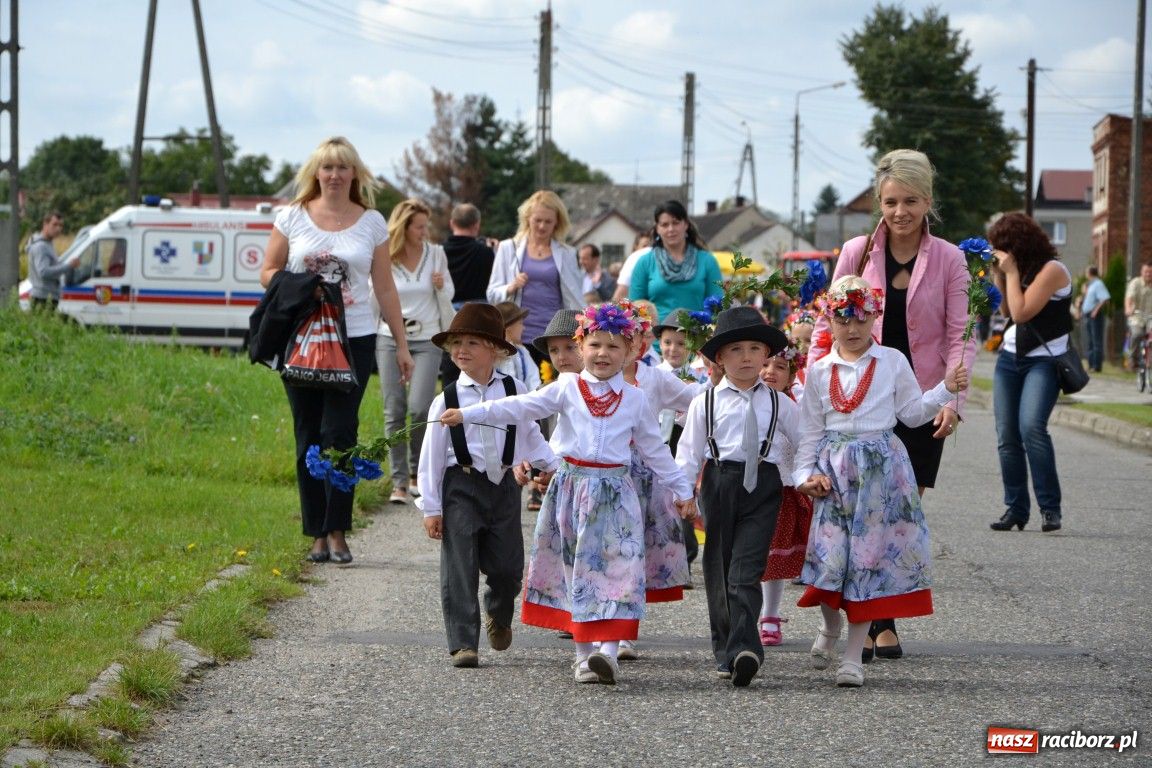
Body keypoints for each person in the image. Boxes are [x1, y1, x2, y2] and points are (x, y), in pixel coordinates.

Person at [440, 301, 698, 686]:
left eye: (614, 347)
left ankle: (607, 653)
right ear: (581, 348)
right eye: (594, 345)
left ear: (630, 351)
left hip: (616, 495)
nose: (603, 354)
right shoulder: (567, 388)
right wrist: (469, 413)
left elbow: (654, 450)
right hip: (572, 490)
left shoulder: (635, 399)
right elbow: (521, 406)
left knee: (619, 569)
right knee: (576, 570)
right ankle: (582, 656)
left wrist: (681, 489)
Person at [809, 148, 972, 662]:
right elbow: (825, 320)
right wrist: (812, 380)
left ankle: (880, 610)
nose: (900, 212)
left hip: (919, 398)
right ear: (880, 203)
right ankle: (876, 621)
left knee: (896, 515)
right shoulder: (857, 251)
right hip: (857, 396)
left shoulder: (949, 257)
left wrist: (955, 400)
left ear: (928, 202)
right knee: (856, 515)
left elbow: (958, 334)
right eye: (890, 202)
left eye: (910, 201)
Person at [795, 275, 968, 688]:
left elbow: (911, 413)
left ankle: (853, 657)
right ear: (829, 320)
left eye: (860, 318)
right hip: (835, 475)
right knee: (831, 560)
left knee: (867, 563)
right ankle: (830, 627)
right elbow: (810, 431)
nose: (852, 328)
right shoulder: (819, 371)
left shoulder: (891, 361)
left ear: (874, 315)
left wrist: (945, 389)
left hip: (880, 474)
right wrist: (804, 475)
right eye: (842, 318)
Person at [260, 136, 413, 564]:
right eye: (326, 168)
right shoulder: (291, 217)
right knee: (307, 433)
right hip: (303, 338)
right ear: (315, 173)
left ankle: (338, 529)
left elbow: (384, 286)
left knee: (340, 434)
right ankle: (315, 533)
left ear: (355, 175)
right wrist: (301, 288)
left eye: (342, 168)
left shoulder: (371, 223)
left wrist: (401, 344)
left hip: (356, 338)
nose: (333, 175)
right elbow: (267, 270)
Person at [416, 303, 556, 668]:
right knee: (460, 563)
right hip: (461, 485)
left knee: (509, 567)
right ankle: (464, 642)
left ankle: (499, 608)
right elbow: (430, 458)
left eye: (473, 343)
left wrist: (553, 465)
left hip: (503, 486)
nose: (462, 350)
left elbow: (529, 435)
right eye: (456, 343)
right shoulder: (444, 400)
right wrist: (431, 508)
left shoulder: (515, 389)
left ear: (495, 348)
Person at [675, 306, 798, 687]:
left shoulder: (780, 403)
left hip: (763, 484)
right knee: (719, 567)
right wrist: (683, 494)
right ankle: (725, 647)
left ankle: (746, 648)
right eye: (736, 350)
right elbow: (689, 452)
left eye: (754, 349)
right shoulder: (705, 402)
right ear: (719, 359)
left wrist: (804, 476)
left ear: (766, 355)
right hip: (719, 481)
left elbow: (805, 441)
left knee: (746, 569)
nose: (746, 357)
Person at [987, 212, 1074, 534]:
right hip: (1009, 358)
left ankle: (1050, 509)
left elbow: (1022, 313)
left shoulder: (1053, 270)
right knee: (1007, 436)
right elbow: (1006, 311)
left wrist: (1010, 272)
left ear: (1018, 244)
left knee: (1032, 428)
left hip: (1043, 361)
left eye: (1002, 248)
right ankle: (1015, 508)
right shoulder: (1017, 270)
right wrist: (1001, 274)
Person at [378, 199, 454, 506]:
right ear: (404, 227)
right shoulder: (386, 256)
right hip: (390, 338)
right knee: (393, 408)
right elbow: (376, 296)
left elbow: (449, 293)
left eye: (425, 226)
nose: (424, 232)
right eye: (419, 226)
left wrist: (439, 286)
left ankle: (416, 473)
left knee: (421, 408)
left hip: (426, 338)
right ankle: (398, 481)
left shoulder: (436, 255)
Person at [486, 190, 584, 366]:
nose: (542, 226)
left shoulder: (568, 253)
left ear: (557, 223)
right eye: (537, 220)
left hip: (553, 338)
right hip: (515, 337)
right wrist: (510, 287)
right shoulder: (508, 248)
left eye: (548, 221)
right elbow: (492, 294)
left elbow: (575, 299)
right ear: (527, 219)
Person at [756, 343, 812, 647]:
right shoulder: (745, 399)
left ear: (792, 374)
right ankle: (742, 612)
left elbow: (806, 441)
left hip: (782, 488)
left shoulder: (793, 406)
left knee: (773, 559)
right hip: (747, 488)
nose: (770, 372)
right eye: (766, 365)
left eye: (780, 366)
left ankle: (771, 615)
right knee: (748, 555)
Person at [628, 201, 723, 323]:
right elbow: (635, 307)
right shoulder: (645, 262)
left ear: (686, 224)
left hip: (696, 337)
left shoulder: (707, 261)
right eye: (664, 224)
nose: (671, 229)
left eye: (676, 223)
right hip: (657, 339)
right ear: (657, 228)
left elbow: (717, 307)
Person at [440, 203, 496, 387]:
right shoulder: (485, 252)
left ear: (451, 223)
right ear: (477, 225)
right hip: (478, 317)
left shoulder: (441, 252)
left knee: (450, 367)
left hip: (448, 315)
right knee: (477, 368)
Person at [26, 211, 78, 310]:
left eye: (60, 225)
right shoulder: (41, 246)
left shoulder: (48, 244)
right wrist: (68, 266)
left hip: (48, 297)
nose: (58, 228)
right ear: (45, 224)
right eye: (54, 224)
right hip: (42, 299)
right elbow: (43, 272)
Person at [494, 301, 541, 391]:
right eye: (520, 323)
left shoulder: (522, 352)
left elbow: (533, 382)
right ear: (509, 328)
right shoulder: (490, 355)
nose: (523, 328)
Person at [1080, 265, 1111, 373]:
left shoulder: (1098, 284)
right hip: (1088, 315)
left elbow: (1104, 298)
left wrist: (1095, 310)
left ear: (1089, 273)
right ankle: (1090, 364)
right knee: (1090, 341)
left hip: (1095, 316)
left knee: (1096, 341)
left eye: (1086, 272)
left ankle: (1096, 366)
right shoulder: (1090, 284)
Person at [1124, 260, 1152, 367]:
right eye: (1146, 272)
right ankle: (1133, 358)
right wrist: (1128, 309)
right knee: (1137, 334)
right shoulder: (1135, 283)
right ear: (1142, 272)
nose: (1148, 274)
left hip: (1150, 318)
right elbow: (1129, 297)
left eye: (1150, 272)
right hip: (1137, 316)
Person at [611, 232, 652, 302]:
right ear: (636, 247)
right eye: (645, 246)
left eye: (651, 246)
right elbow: (619, 295)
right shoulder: (633, 259)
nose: (648, 249)